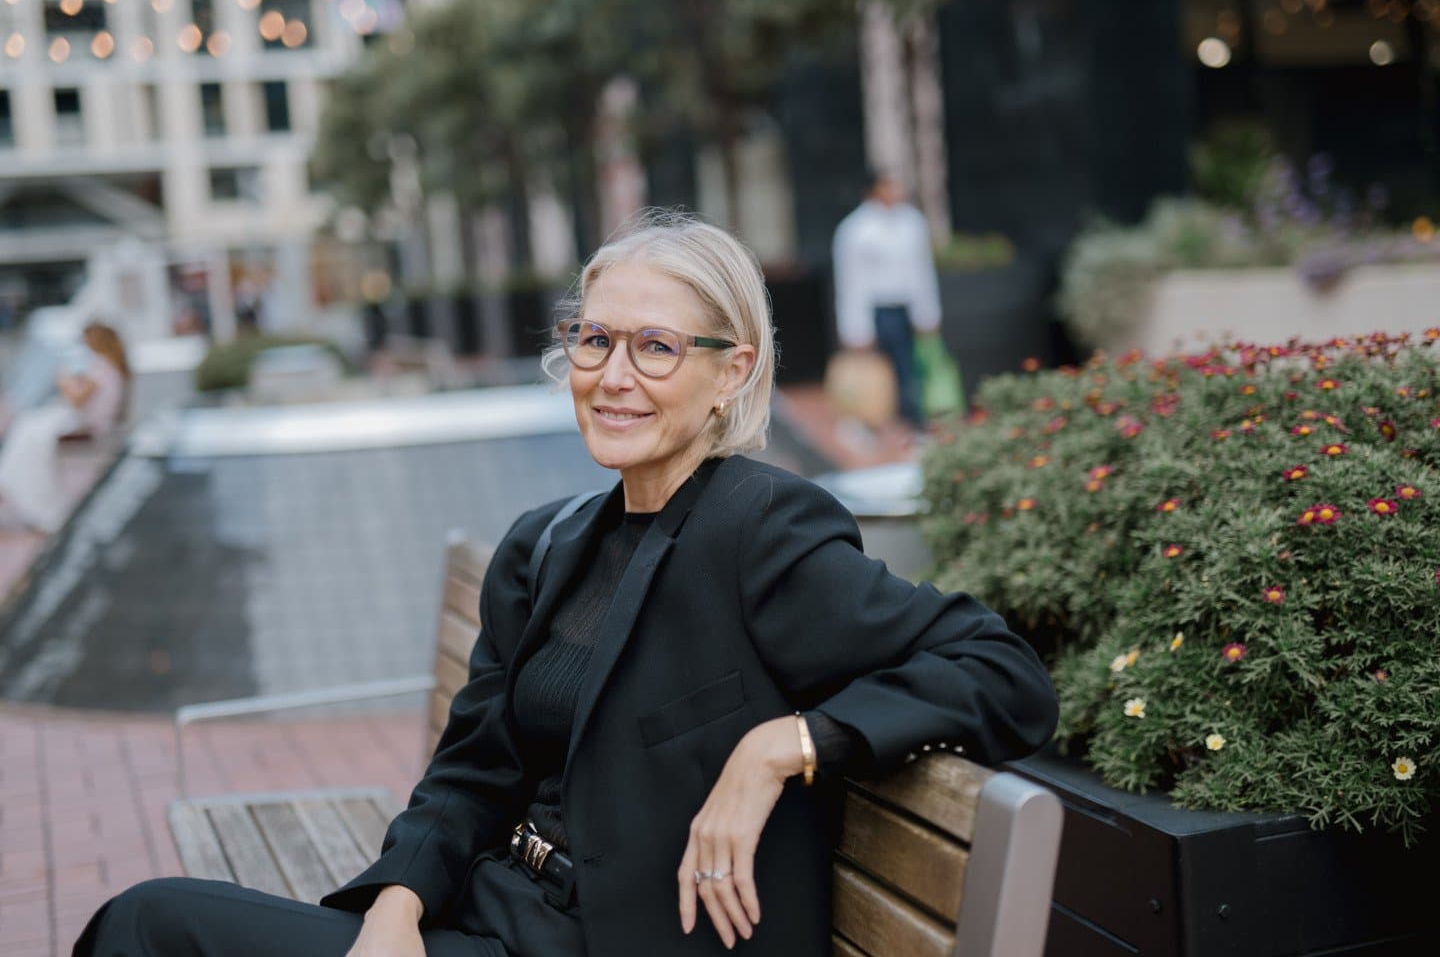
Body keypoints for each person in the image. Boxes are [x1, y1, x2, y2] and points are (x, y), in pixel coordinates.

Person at [73, 212, 1056, 957]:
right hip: (493, 919)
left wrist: (781, 745)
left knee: (149, 929)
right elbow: (469, 775)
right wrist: (395, 910)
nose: (612, 374)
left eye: (656, 347)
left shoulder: (761, 528)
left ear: (732, 373)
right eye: (595, 338)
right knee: (152, 925)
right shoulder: (548, 544)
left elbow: (1001, 669)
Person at [831, 171, 944, 429]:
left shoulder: (912, 223)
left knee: (908, 370)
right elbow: (851, 281)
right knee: (873, 374)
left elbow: (921, 271)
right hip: (876, 311)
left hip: (905, 307)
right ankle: (868, 424)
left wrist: (927, 313)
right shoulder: (855, 230)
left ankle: (912, 424)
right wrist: (855, 328)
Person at [0, 322, 129, 533]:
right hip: (88, 420)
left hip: (89, 424)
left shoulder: (101, 367)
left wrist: (64, 380)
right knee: (30, 427)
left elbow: (77, 400)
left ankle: (31, 498)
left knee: (31, 429)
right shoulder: (110, 367)